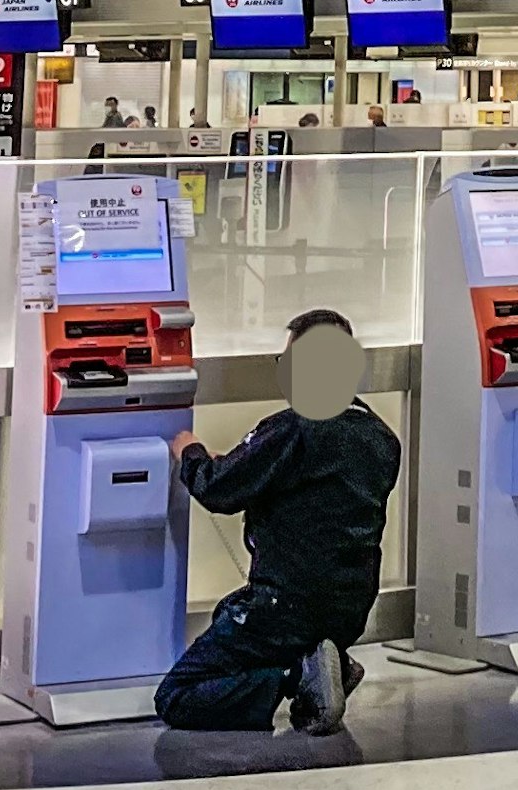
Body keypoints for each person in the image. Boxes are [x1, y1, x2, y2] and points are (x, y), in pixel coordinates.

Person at [156, 310, 401, 737]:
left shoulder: (293, 430)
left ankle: (298, 676)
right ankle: (329, 663)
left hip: (286, 607)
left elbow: (218, 489)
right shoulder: (381, 437)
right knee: (225, 613)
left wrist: (190, 452)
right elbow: (319, 494)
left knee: (178, 695)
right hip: (350, 608)